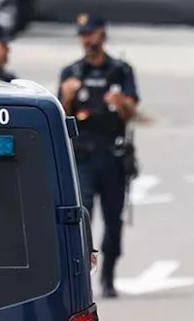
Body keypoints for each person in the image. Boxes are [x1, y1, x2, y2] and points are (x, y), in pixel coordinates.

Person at [59, 13, 139, 298]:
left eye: (91, 34)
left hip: (112, 156)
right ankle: (82, 275)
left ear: (102, 34)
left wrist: (121, 103)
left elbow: (132, 113)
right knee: (83, 219)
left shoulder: (120, 71)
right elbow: (62, 117)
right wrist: (67, 97)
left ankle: (109, 275)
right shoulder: (71, 72)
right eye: (82, 35)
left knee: (114, 220)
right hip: (82, 157)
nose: (86, 40)